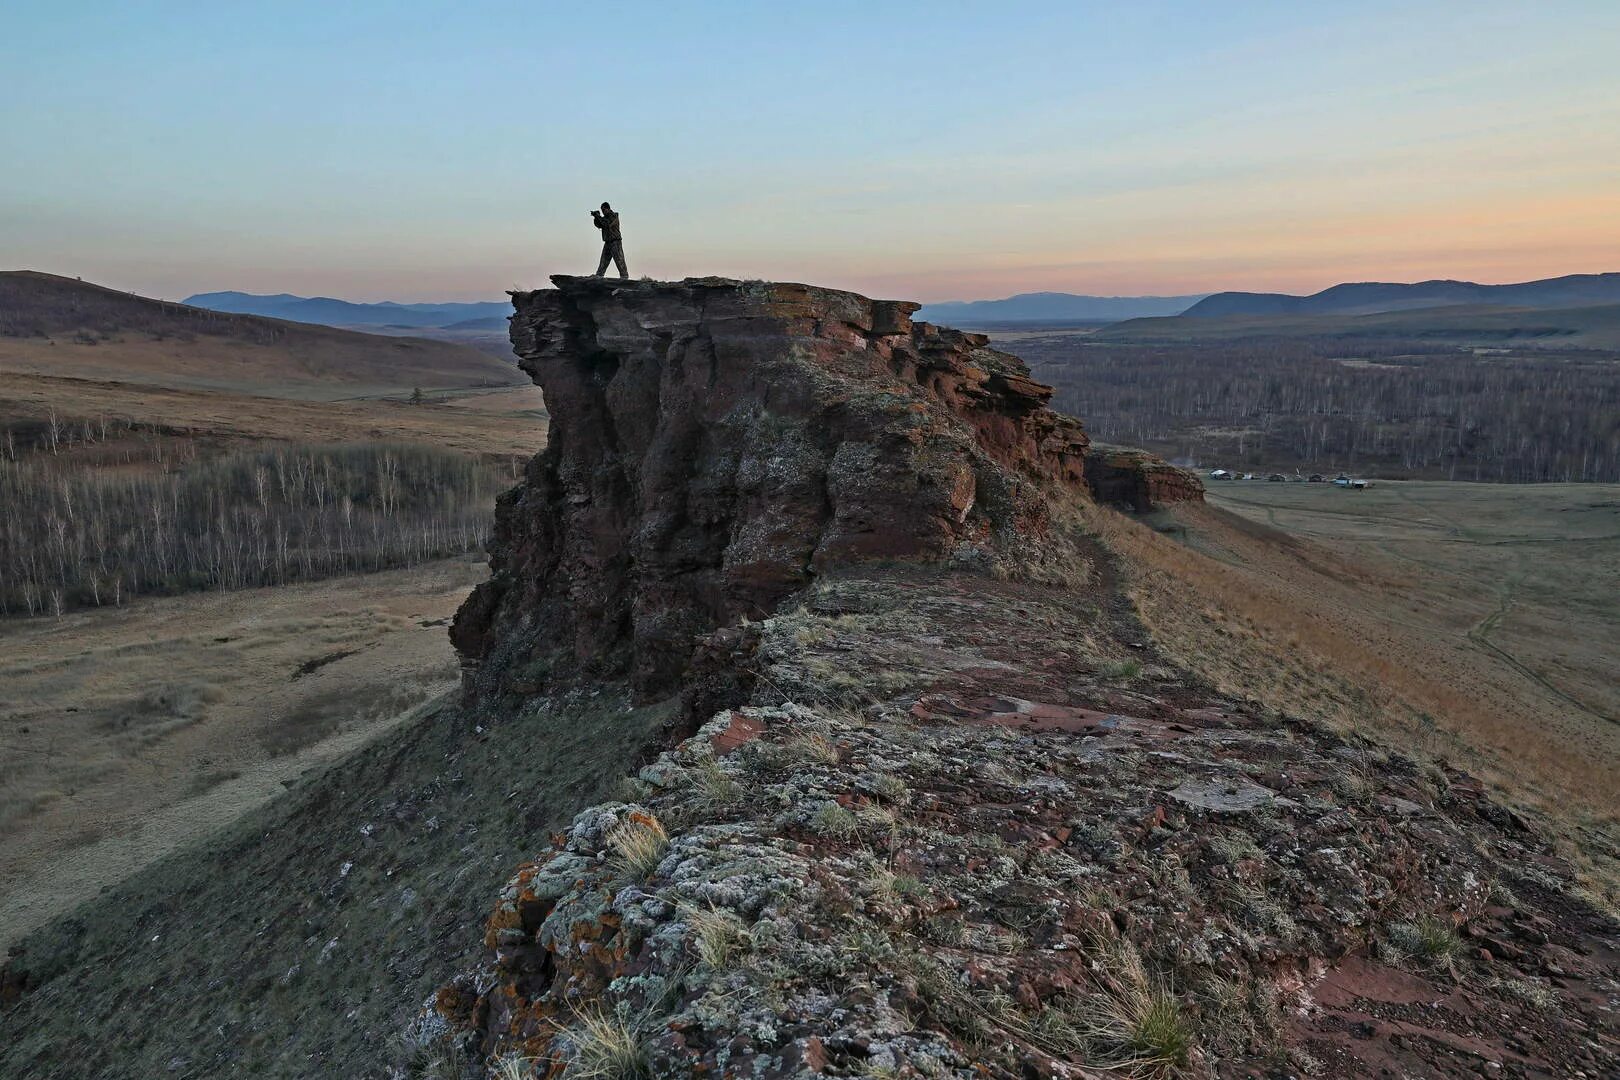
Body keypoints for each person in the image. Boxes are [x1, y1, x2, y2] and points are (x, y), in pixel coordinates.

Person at [591, 202, 628, 278]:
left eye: (604, 210)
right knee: (603, 263)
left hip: (615, 242)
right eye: (602, 210)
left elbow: (607, 224)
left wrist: (598, 216)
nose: (603, 212)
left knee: (620, 262)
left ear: (608, 208)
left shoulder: (614, 216)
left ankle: (624, 278)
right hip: (608, 243)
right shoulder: (604, 218)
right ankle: (599, 277)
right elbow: (599, 225)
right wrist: (596, 217)